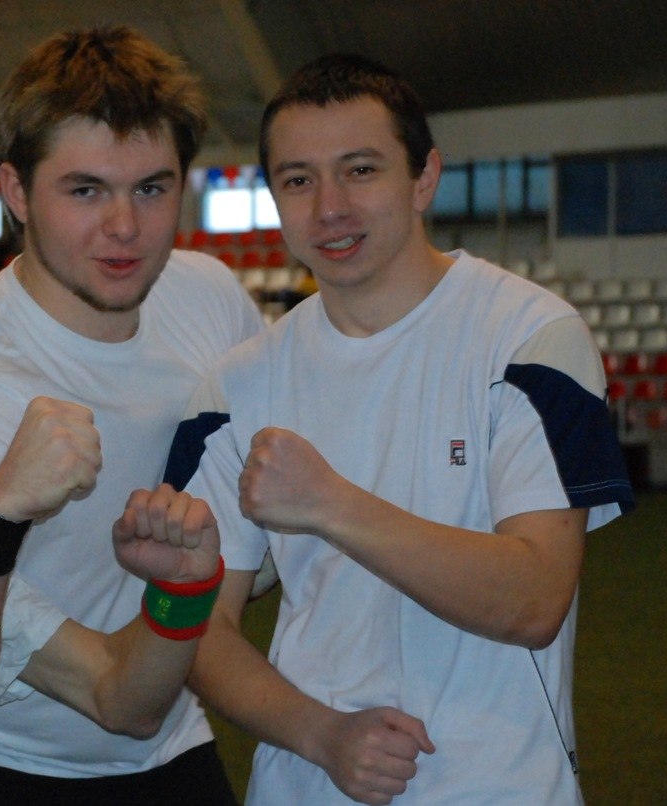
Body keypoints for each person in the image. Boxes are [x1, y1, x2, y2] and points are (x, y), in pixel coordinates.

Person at [166, 54, 635, 805]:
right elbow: (196, 624)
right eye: (298, 180)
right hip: (306, 786)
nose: (330, 208)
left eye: (360, 170)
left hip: (498, 789)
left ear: (424, 177)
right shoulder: (237, 385)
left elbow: (534, 598)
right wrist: (321, 734)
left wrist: (330, 503)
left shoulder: (528, 339)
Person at [0, 26, 265, 805]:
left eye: (152, 188)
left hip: (156, 733)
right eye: (85, 190)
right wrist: (0, 508)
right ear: (16, 191)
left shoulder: (208, 297)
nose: (124, 225)